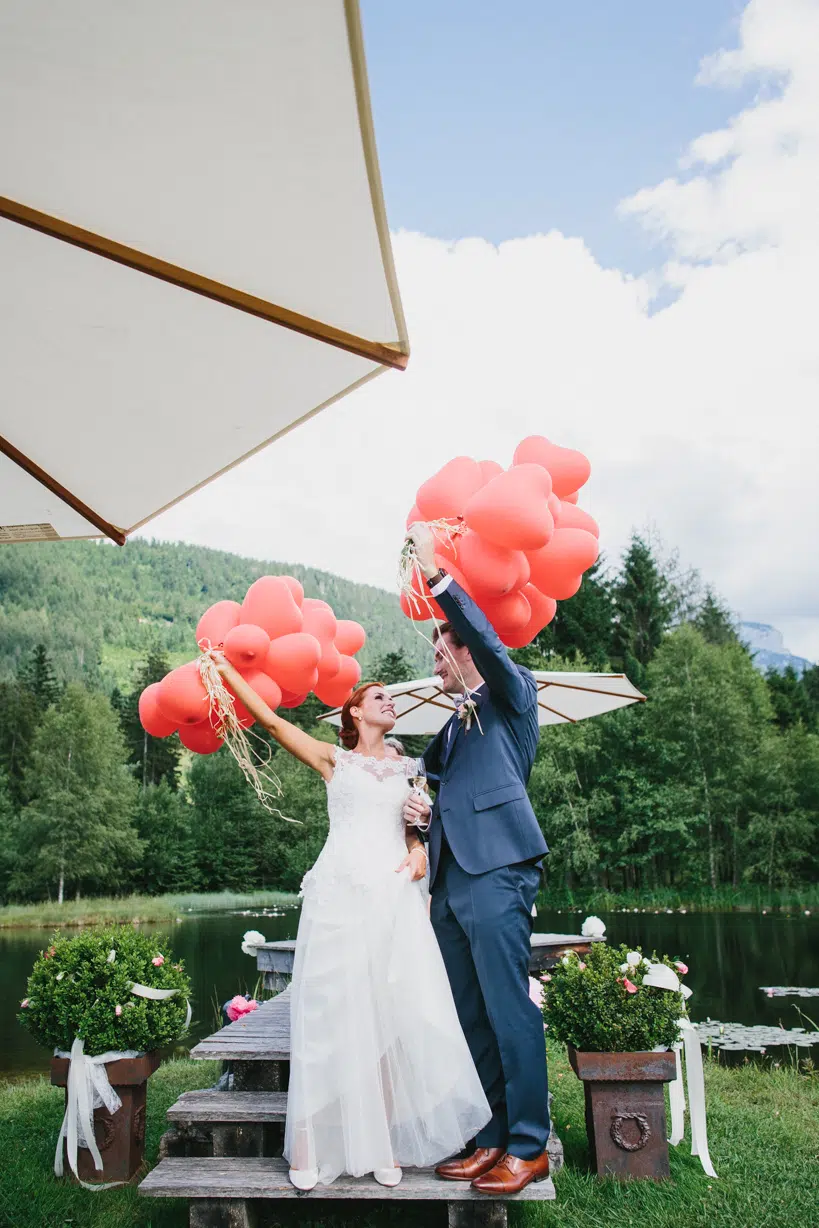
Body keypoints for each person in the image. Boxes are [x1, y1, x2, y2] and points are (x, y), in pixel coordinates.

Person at [211, 657, 490, 1190]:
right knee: (325, 1018)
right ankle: (309, 1147)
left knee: (388, 1020)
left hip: (391, 898)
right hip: (339, 898)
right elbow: (271, 721)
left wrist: (417, 850)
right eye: (378, 697)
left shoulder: (410, 769)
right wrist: (227, 672)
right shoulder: (334, 760)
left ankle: (382, 1143)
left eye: (391, 698)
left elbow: (414, 829)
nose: (390, 702)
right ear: (355, 713)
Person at [402, 522, 551, 1196]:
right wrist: (422, 814)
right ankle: (490, 1136)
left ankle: (527, 1145)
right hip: (451, 882)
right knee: (470, 1014)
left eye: (442, 651)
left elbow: (487, 640)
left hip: (498, 872)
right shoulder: (453, 728)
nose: (435, 663)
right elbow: (442, 792)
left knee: (507, 1007)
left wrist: (437, 578)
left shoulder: (511, 694)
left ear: (468, 652)